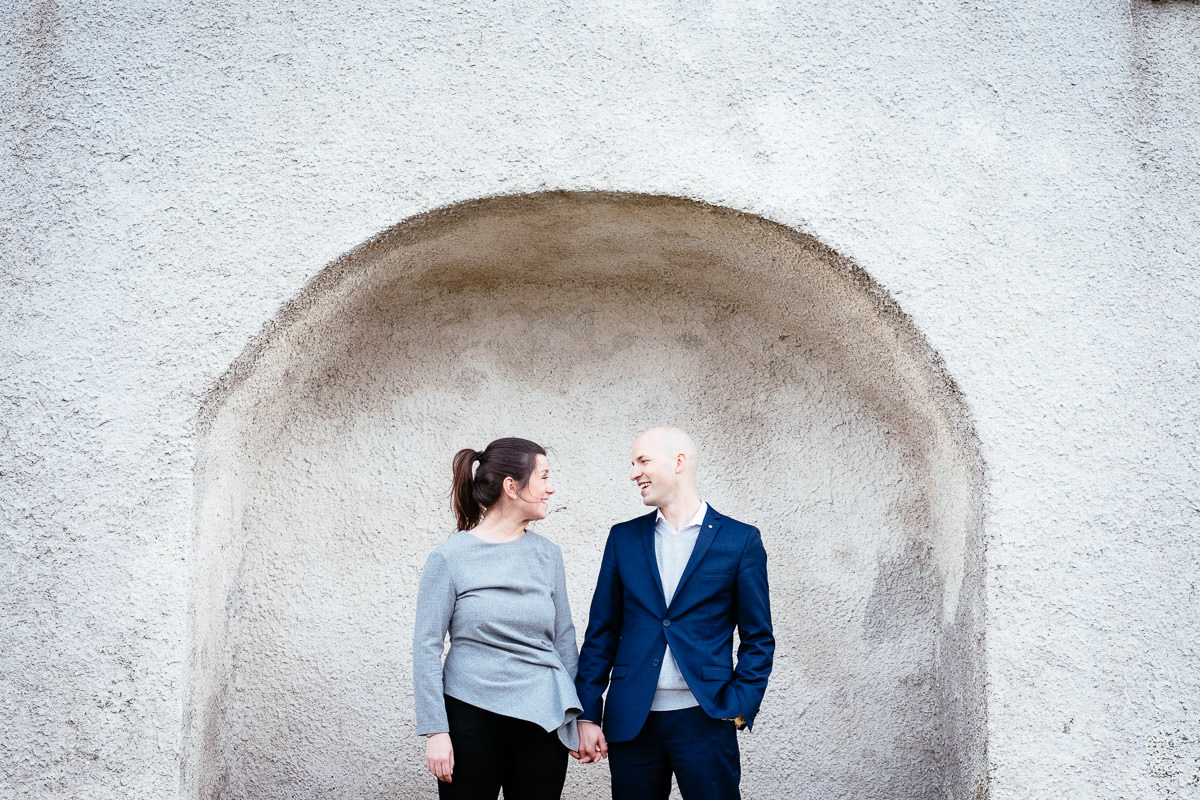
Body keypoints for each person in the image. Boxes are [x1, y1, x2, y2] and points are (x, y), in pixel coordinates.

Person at [574, 427, 774, 800]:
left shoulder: (740, 540)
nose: (634, 473)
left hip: (706, 716)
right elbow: (601, 632)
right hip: (633, 720)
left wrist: (740, 704)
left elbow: (758, 636)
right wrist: (587, 712)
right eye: (633, 463)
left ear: (679, 462)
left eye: (643, 461)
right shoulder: (623, 539)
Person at [413, 437, 582, 800]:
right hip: (470, 718)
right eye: (544, 477)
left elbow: (564, 638)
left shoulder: (548, 555)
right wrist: (436, 731)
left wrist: (579, 718)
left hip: (542, 720)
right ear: (511, 487)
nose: (551, 488)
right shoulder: (449, 557)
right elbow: (426, 646)